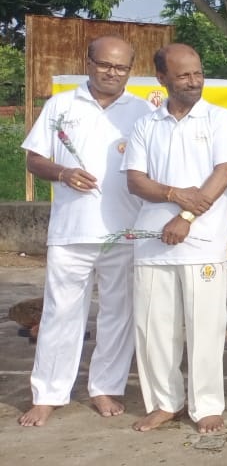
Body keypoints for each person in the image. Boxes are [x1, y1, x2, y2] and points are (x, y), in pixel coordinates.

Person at [17, 36, 152, 427]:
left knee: (118, 313)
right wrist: (62, 172)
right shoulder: (61, 105)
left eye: (121, 67)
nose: (112, 73)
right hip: (71, 231)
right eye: (105, 64)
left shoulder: (142, 112)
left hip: (124, 231)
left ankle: (105, 387)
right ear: (88, 62)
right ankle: (48, 394)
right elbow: (34, 160)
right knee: (60, 313)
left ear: (131, 69)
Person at [123, 44, 227, 433]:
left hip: (202, 241)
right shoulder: (147, 124)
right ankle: (164, 403)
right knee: (153, 327)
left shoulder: (220, 118)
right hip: (151, 242)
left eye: (197, 73)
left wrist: (187, 216)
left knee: (205, 327)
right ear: (162, 78)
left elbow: (224, 172)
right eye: (183, 75)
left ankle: (206, 405)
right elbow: (135, 180)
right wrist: (176, 195)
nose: (194, 82)